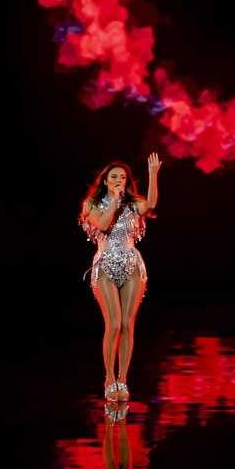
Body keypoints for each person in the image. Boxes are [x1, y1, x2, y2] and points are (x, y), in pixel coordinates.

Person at [79, 152, 162, 403]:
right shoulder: (91, 205)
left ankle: (123, 379)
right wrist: (114, 200)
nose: (118, 181)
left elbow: (150, 205)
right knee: (113, 324)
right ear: (105, 181)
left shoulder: (132, 203)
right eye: (114, 177)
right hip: (105, 264)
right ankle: (109, 378)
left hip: (131, 264)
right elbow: (103, 225)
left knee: (127, 324)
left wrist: (152, 175)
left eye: (123, 178)